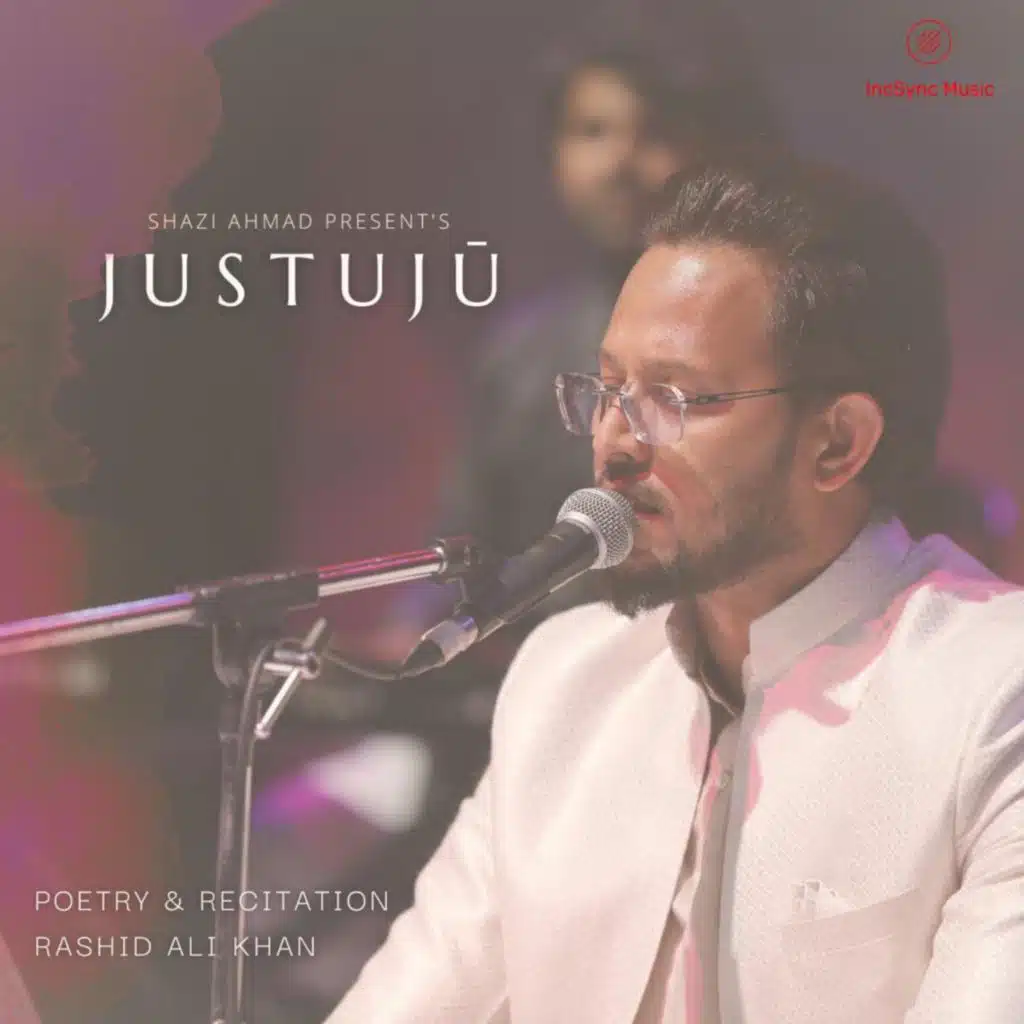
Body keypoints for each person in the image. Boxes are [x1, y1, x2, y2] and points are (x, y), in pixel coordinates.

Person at [324, 154, 1024, 1022]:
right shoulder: (566, 678)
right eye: (608, 388)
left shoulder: (996, 696)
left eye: (676, 397)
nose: (613, 441)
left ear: (839, 443)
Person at [371, 38, 787, 661]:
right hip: (542, 675)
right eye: (591, 131)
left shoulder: (770, 328)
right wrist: (404, 642)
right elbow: (463, 544)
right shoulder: (523, 350)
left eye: (655, 131)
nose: (618, 161)